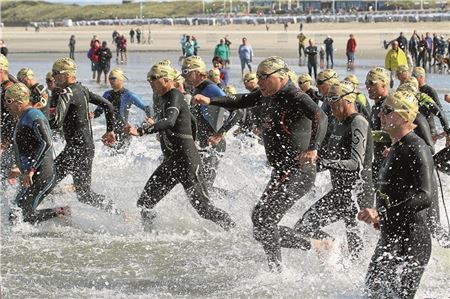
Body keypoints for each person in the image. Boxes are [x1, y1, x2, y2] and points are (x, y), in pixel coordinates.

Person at [192, 56, 328, 272]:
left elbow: (319, 115)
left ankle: (277, 270)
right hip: (282, 172)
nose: (260, 81)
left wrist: (314, 147)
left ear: (281, 77)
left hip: (299, 171)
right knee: (259, 222)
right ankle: (316, 245)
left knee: (265, 220)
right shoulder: (266, 94)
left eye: (264, 77)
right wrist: (211, 101)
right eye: (258, 77)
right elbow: (239, 101)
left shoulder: (293, 94)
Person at [123, 62, 235, 232]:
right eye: (148, 79)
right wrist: (193, 140)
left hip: (187, 162)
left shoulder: (174, 95)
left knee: (204, 209)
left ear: (166, 79)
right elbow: (192, 120)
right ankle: (149, 235)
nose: (150, 82)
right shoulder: (162, 98)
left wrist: (140, 131)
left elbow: (169, 121)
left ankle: (235, 230)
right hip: (171, 163)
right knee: (145, 203)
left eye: (153, 78)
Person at [358, 91, 434, 299]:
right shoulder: (395, 146)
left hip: (412, 240)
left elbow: (425, 196)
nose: (380, 114)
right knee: (371, 294)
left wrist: (382, 213)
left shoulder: (417, 147)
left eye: (387, 111)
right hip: (390, 237)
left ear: (402, 116)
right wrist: (381, 215)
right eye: (382, 109)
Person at [290, 81, 373, 259]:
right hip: (339, 193)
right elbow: (327, 156)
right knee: (303, 227)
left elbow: (356, 163)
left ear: (349, 99)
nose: (330, 105)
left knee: (357, 253)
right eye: (327, 100)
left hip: (357, 194)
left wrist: (324, 162)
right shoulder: (337, 122)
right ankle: (332, 248)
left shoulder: (358, 122)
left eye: (334, 100)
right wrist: (306, 164)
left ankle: (353, 279)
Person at [48, 58, 117, 211]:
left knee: (47, 181)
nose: (53, 77)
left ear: (65, 75)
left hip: (75, 150)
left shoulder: (67, 92)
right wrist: (110, 130)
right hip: (85, 149)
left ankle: (48, 214)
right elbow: (109, 105)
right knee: (84, 194)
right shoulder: (82, 89)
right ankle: (118, 212)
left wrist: (34, 121)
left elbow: (56, 123)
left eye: (55, 73)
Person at [5, 83, 70, 224]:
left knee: (23, 216)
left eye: (9, 101)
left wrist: (31, 169)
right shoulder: (24, 116)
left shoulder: (33, 115)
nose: (6, 105)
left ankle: (63, 212)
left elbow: (46, 143)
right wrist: (20, 168)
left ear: (20, 101)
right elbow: (28, 147)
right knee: (15, 215)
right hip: (32, 173)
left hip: (41, 173)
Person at [182, 56, 242, 190]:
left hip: (214, 145)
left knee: (205, 187)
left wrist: (220, 134)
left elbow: (237, 112)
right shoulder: (196, 88)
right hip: (202, 144)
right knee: (196, 185)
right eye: (182, 72)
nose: (184, 76)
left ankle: (233, 201)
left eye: (187, 72)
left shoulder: (211, 88)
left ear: (198, 72)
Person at [92, 68, 151, 151]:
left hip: (124, 133)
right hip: (110, 132)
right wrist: (92, 115)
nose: (111, 81)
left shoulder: (129, 95)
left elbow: (146, 108)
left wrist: (150, 119)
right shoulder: (107, 94)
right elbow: (99, 111)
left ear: (121, 79)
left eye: (113, 78)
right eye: (109, 78)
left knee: (122, 158)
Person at [365, 67, 391, 184]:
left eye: (371, 83)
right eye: (366, 83)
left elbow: (399, 134)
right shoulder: (375, 107)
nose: (367, 87)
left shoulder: (389, 105)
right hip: (378, 162)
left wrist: (366, 135)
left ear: (384, 84)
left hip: (390, 165)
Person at [0, 54, 18, 184]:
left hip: (15, 142)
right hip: (8, 141)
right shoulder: (6, 88)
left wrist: (6, 141)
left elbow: (19, 117)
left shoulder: (10, 90)